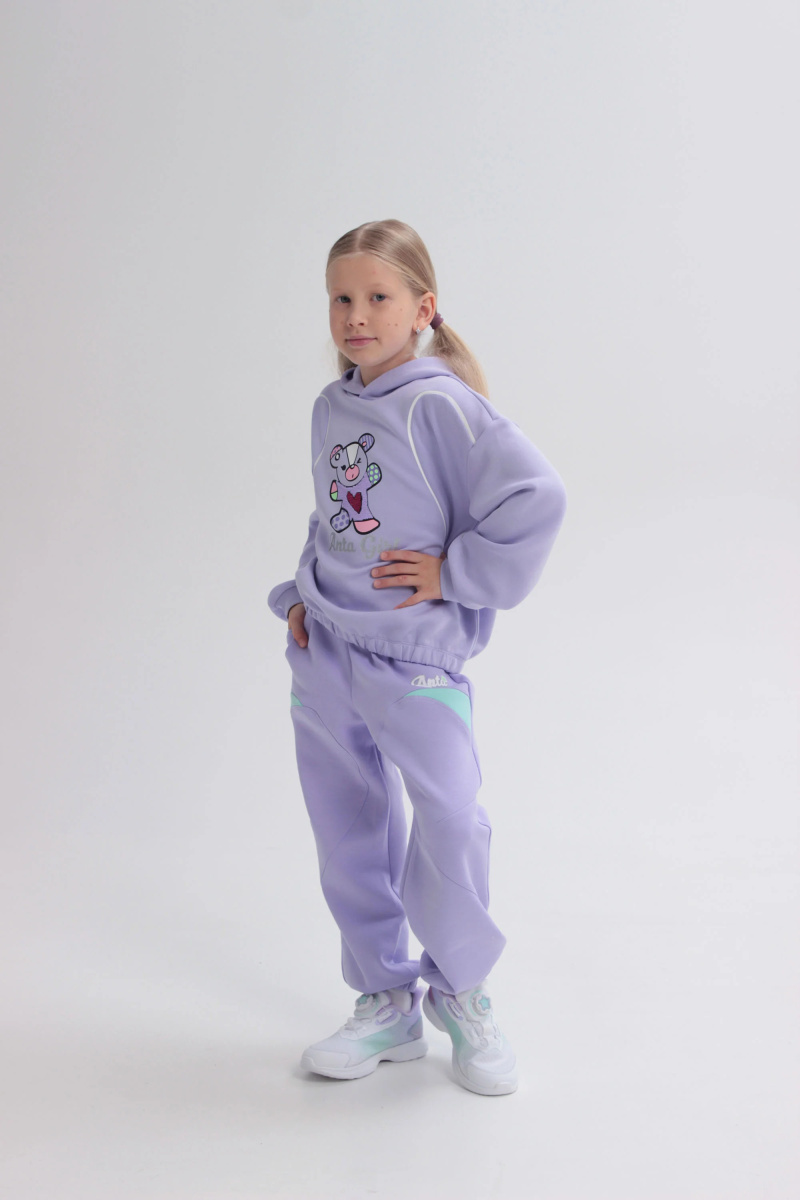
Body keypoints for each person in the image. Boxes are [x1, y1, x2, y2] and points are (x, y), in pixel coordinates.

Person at [268, 219, 567, 1096]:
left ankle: (462, 991)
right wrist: (299, 595)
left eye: (377, 297)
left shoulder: (441, 404)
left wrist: (455, 573)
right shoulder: (332, 407)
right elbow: (333, 517)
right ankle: (386, 1002)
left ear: (423, 308)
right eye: (341, 298)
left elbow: (536, 495)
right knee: (346, 832)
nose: (356, 316)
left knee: (453, 818)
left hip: (415, 660)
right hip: (326, 653)